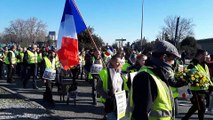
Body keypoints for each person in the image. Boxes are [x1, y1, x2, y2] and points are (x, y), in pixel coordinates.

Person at [129, 40, 186, 120]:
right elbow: (140, 114)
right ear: (164, 57)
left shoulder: (158, 74)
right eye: (173, 59)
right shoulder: (146, 77)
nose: (173, 63)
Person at [182, 49, 212, 120]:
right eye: (206, 55)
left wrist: (211, 87)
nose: (208, 56)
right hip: (197, 90)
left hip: (204, 90)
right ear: (201, 55)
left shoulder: (205, 65)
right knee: (202, 108)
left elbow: (207, 78)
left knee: (196, 106)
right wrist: (195, 60)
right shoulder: (193, 64)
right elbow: (188, 72)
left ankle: (184, 119)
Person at [98, 54, 124, 120]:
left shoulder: (120, 72)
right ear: (111, 61)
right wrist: (106, 96)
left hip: (119, 100)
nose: (119, 64)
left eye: (120, 62)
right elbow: (98, 87)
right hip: (109, 100)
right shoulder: (104, 72)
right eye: (117, 62)